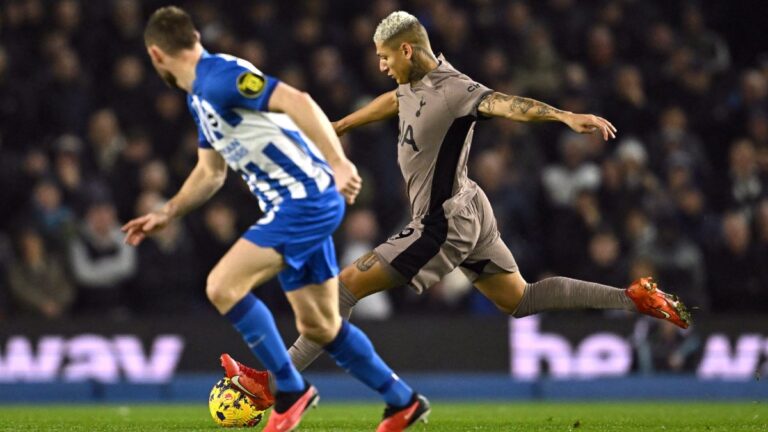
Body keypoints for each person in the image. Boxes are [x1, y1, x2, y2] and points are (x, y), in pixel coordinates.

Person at [235, 10, 693, 407]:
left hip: (442, 222)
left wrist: (563, 116)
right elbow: (394, 103)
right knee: (521, 299)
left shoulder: (455, 90)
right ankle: (633, 298)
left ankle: (276, 386)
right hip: (470, 204)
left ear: (409, 50)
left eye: (385, 57)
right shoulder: (410, 85)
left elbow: (506, 104)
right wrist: (343, 124)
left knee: (344, 287)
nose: (381, 65)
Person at [123, 7, 428, 432]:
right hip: (299, 204)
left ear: (156, 54)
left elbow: (296, 100)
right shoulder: (200, 97)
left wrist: (338, 162)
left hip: (303, 200)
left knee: (222, 285)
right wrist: (168, 211)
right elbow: (210, 172)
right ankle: (403, 402)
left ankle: (288, 389)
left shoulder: (219, 77)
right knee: (320, 326)